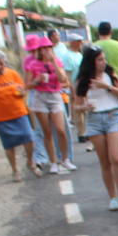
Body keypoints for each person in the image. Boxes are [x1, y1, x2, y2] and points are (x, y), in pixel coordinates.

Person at [75, 44, 118, 211]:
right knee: (105, 161)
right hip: (94, 119)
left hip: (113, 116)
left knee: (116, 157)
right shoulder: (83, 81)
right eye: (99, 59)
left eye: (103, 59)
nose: (103, 62)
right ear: (91, 62)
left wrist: (107, 87)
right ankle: (113, 197)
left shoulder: (109, 74)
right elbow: (76, 106)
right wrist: (84, 108)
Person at [0, 49, 39, 180]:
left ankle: (30, 161)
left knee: (29, 137)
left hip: (19, 113)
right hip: (2, 117)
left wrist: (22, 92)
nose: (0, 67)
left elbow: (23, 89)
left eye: (1, 63)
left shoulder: (13, 74)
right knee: (9, 145)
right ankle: (15, 170)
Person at [24, 33, 73, 174]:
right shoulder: (33, 64)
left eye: (49, 48)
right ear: (40, 50)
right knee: (47, 131)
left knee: (61, 130)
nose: (47, 51)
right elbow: (27, 85)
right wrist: (37, 80)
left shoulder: (57, 62)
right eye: (44, 48)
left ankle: (65, 159)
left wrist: (53, 64)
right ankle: (53, 161)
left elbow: (63, 78)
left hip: (55, 95)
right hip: (40, 97)